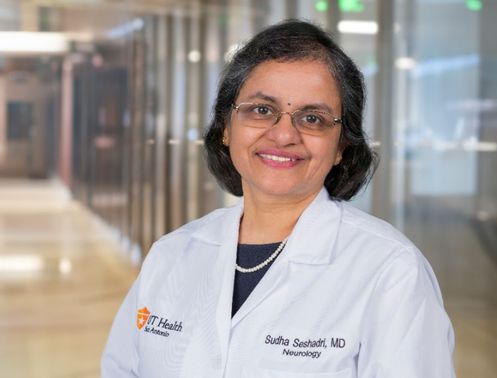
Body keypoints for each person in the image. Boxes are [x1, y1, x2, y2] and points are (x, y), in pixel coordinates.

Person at [101, 19, 455, 378]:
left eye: (312, 118)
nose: (284, 134)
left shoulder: (391, 270)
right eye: (261, 110)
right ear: (226, 127)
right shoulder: (171, 254)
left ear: (341, 147)